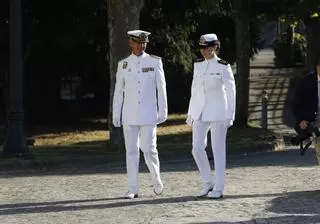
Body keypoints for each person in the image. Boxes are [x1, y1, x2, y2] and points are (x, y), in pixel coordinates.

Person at [112, 30, 168, 199]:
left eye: (143, 43)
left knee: (149, 148)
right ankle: (132, 188)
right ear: (130, 43)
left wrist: (163, 110)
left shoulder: (154, 62)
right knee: (131, 151)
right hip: (129, 114)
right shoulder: (123, 64)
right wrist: (116, 113)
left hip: (149, 113)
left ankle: (156, 178)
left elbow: (161, 88)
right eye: (137, 43)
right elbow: (119, 91)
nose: (140, 46)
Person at [186, 33, 236, 199]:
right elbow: (194, 90)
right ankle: (208, 181)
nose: (204, 51)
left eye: (207, 48)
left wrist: (230, 115)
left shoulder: (223, 66)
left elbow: (231, 92)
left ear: (215, 47)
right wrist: (191, 113)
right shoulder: (198, 65)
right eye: (202, 48)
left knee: (218, 149)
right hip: (200, 111)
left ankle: (219, 187)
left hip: (219, 111)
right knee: (197, 148)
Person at [292, 57, 320, 164]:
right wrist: (301, 120)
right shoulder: (306, 82)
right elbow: (296, 104)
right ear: (318, 67)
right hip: (315, 123)